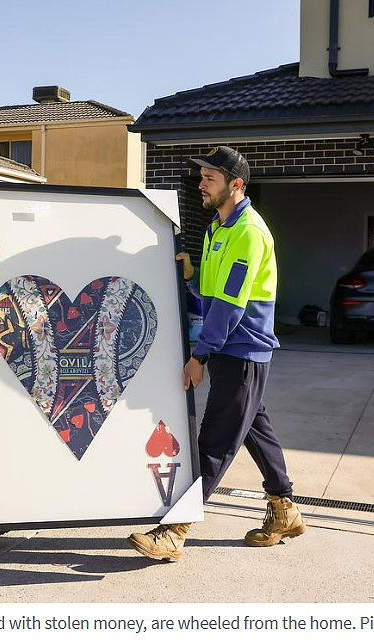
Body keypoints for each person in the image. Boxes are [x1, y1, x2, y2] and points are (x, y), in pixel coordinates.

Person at [128, 146, 304, 561]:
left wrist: (199, 355)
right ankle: (285, 509)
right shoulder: (216, 228)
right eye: (202, 176)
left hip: (242, 351)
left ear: (236, 184)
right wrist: (191, 277)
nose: (202, 183)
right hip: (232, 350)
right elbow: (209, 287)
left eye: (210, 177)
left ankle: (174, 529)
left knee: (214, 441)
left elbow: (229, 304)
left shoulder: (248, 231)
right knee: (255, 432)